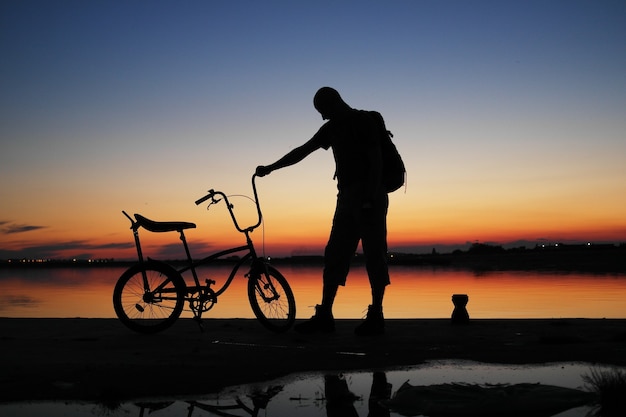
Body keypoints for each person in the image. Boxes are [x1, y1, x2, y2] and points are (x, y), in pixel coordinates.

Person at [256, 87, 391, 336]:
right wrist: (271, 168)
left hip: (370, 196)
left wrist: (370, 199)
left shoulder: (363, 121)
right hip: (346, 199)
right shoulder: (331, 129)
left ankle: (376, 315)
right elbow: (302, 151)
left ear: (334, 103)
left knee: (375, 256)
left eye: (323, 111)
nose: (322, 117)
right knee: (335, 255)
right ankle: (325, 315)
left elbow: (376, 160)